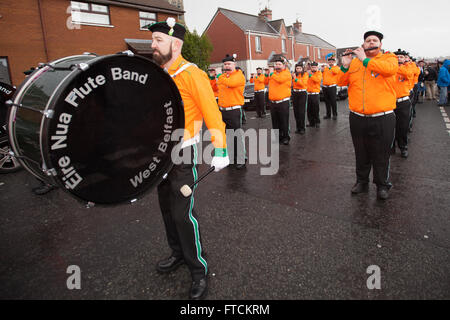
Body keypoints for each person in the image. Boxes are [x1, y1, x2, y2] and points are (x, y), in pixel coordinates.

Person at [149, 18, 229, 300]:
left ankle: (199, 269)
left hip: (183, 151)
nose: (153, 45)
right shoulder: (158, 74)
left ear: (176, 43)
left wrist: (220, 149)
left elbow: (212, 113)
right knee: (167, 209)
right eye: (153, 40)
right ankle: (178, 253)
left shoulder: (192, 73)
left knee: (183, 213)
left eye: (159, 40)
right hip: (160, 154)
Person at [337, 31, 398, 200]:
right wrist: (345, 65)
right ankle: (362, 181)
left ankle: (382, 184)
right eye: (368, 40)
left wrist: (364, 59)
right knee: (361, 151)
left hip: (383, 117)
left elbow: (389, 70)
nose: (371, 42)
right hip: (357, 117)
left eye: (374, 40)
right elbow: (340, 82)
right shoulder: (355, 63)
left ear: (380, 44)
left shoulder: (388, 58)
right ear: (363, 44)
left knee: (381, 153)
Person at [217, 54, 247, 169]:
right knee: (228, 136)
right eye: (225, 64)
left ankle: (241, 159)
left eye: (229, 64)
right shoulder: (224, 77)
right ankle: (231, 158)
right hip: (223, 110)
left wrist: (221, 77)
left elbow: (231, 83)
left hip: (234, 110)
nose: (227, 66)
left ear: (234, 65)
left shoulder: (239, 75)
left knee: (237, 135)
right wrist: (222, 78)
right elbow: (218, 87)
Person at [392, 49, 414, 158]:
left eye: (401, 57)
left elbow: (408, 74)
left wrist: (398, 66)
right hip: (390, 102)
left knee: (403, 126)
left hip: (403, 101)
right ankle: (391, 147)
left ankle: (403, 147)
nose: (399, 59)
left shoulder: (408, 67)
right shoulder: (390, 68)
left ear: (405, 58)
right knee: (390, 126)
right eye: (397, 57)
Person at [268, 57, 292, 145]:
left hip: (283, 102)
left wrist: (271, 74)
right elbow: (265, 82)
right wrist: (267, 75)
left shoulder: (286, 73)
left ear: (283, 65)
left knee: (284, 121)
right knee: (275, 121)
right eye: (276, 64)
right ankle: (277, 137)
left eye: (279, 64)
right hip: (273, 102)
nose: (277, 66)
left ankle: (286, 137)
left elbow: (280, 80)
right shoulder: (273, 74)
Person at [292, 63, 309, 134]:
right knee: (296, 111)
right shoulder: (294, 75)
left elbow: (303, 84)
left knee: (301, 111)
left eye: (299, 68)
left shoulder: (305, 74)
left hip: (302, 93)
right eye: (297, 68)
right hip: (295, 93)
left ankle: (302, 128)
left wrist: (295, 79)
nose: (298, 70)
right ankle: (298, 127)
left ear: (302, 69)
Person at [322, 55, 340, 120]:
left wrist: (329, 68)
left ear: (334, 62)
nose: (331, 63)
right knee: (327, 101)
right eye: (329, 62)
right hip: (325, 87)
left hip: (332, 87)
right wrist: (322, 69)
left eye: (332, 62)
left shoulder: (336, 67)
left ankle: (335, 114)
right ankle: (328, 114)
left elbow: (335, 72)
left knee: (333, 101)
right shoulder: (326, 68)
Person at [306, 62, 323, 128]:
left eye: (315, 67)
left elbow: (317, 80)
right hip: (308, 94)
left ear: (317, 67)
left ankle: (317, 122)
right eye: (312, 67)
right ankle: (311, 122)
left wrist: (310, 75)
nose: (313, 68)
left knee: (315, 109)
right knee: (309, 109)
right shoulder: (308, 73)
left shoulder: (319, 73)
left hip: (315, 94)